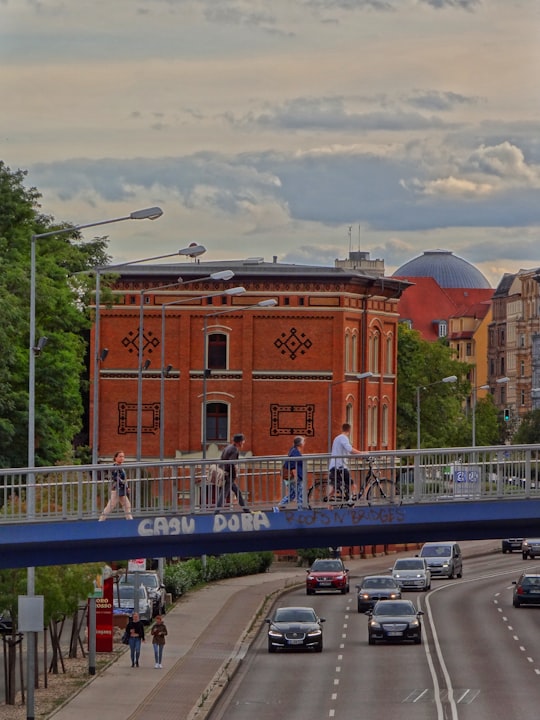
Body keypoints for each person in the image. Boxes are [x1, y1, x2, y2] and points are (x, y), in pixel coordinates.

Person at [327, 423, 363, 502]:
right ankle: (351, 502)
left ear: (342, 429)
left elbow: (345, 451)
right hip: (340, 466)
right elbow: (349, 449)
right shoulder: (344, 438)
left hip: (334, 465)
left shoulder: (337, 438)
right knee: (352, 484)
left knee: (335, 487)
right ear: (349, 430)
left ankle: (329, 506)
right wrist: (362, 453)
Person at [216, 433, 250, 512]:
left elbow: (222, 459)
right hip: (229, 475)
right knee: (224, 493)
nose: (243, 443)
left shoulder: (228, 447)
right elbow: (232, 463)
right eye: (242, 441)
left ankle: (245, 509)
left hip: (224, 472)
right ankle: (216, 511)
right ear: (239, 442)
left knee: (237, 491)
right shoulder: (234, 450)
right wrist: (235, 473)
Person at [99, 451, 133, 521]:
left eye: (123, 456)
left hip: (121, 489)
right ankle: (101, 520)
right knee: (111, 506)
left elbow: (123, 479)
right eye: (120, 456)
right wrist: (125, 485)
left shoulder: (121, 467)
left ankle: (129, 519)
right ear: (115, 458)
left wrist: (126, 487)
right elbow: (116, 477)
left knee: (127, 505)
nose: (122, 458)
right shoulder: (115, 466)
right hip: (117, 489)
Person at [278, 436, 305, 509]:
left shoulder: (293, 450)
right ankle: (300, 510)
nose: (304, 443)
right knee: (299, 494)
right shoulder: (295, 452)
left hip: (292, 476)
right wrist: (296, 475)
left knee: (292, 494)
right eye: (303, 441)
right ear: (300, 443)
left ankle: (279, 506)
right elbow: (293, 464)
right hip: (295, 476)